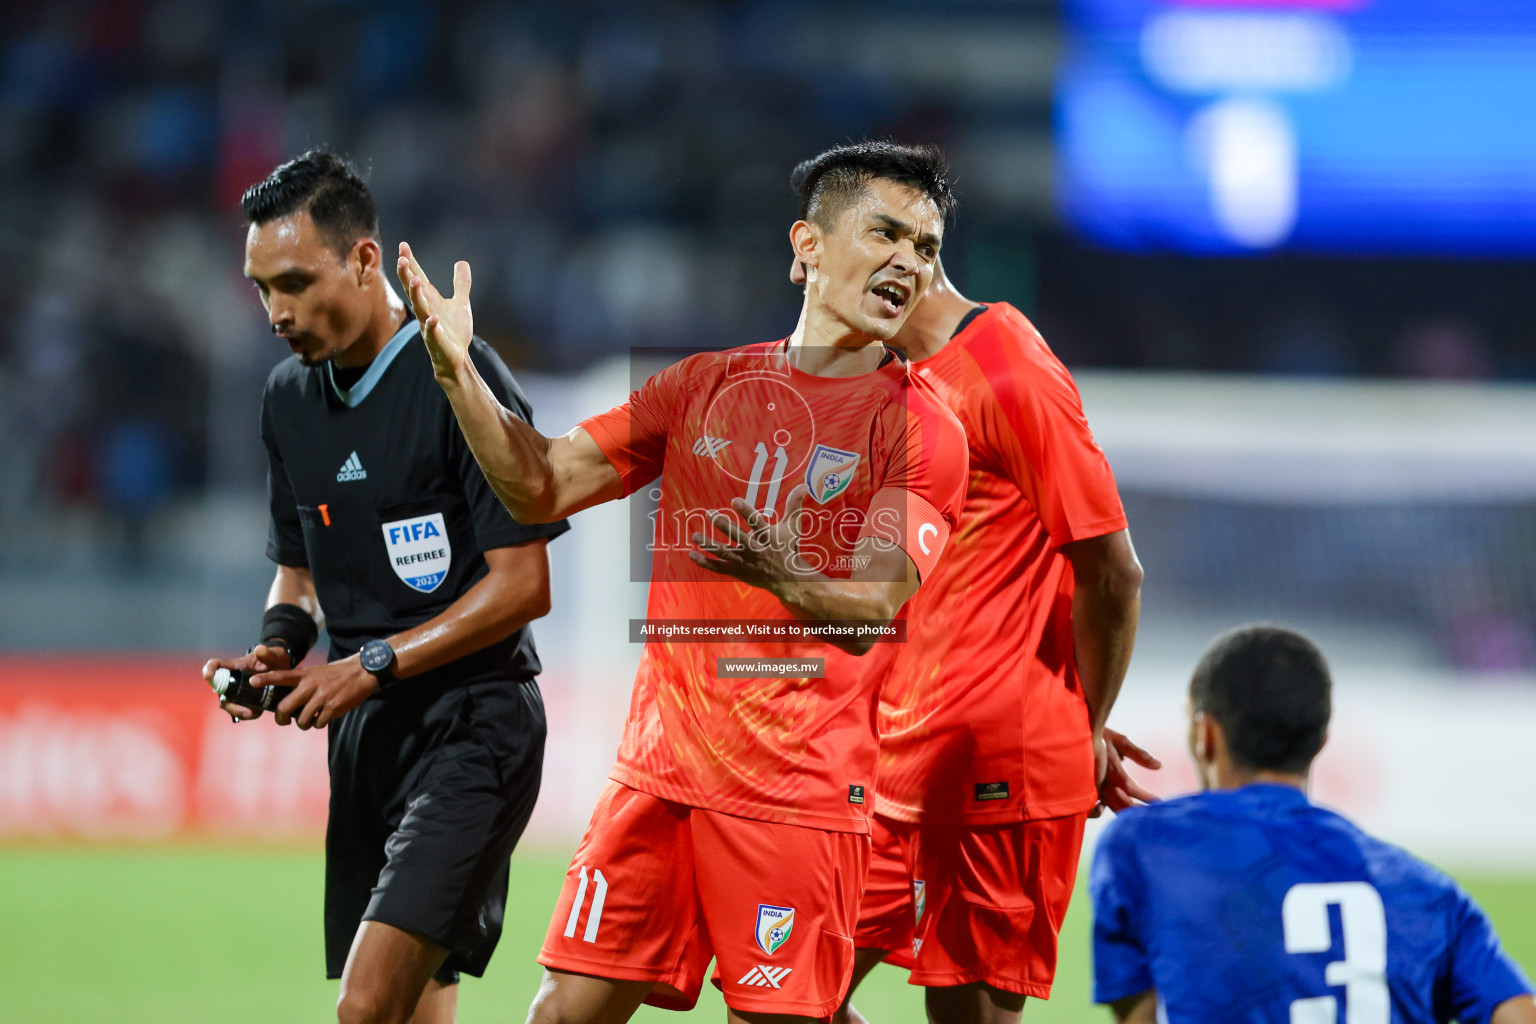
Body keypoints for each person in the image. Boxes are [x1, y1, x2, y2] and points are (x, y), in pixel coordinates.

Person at [396, 140, 970, 1024]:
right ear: (806, 246)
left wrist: (779, 565)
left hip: (797, 796)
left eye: (927, 248)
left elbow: (871, 609)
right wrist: (457, 373)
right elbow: (541, 481)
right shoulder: (700, 387)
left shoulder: (923, 431)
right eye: (886, 232)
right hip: (657, 779)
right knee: (559, 1014)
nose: (908, 262)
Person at [199, 150, 568, 1024]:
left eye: (294, 281)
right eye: (260, 289)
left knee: (364, 1008)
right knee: (413, 1010)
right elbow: (297, 572)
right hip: (369, 740)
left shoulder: (458, 375)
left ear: (366, 260)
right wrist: (281, 646)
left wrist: (364, 664)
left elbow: (524, 586)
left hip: (474, 725)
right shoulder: (287, 399)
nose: (277, 311)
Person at [785, 190, 1150, 1022]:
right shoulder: (892, 382)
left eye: (816, 266)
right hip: (894, 761)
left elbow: (1113, 570)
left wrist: (1082, 724)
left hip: (1000, 765)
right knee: (787, 998)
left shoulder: (1005, 364)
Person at [1091, 625, 1536, 1024]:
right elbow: (1519, 1013)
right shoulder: (1431, 893)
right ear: (1321, 741)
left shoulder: (1144, 847)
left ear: (1205, 734)